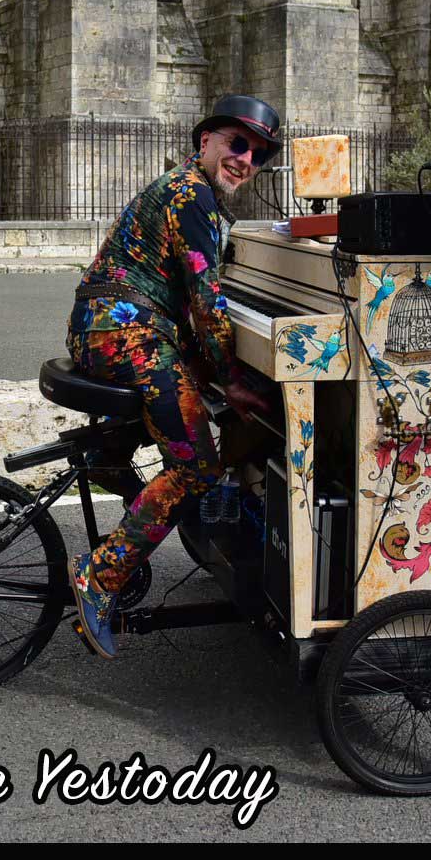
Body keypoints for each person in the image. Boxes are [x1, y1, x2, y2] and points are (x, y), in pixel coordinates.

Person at [66, 94, 281, 658]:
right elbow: (207, 305)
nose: (245, 159)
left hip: (110, 326)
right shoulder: (193, 196)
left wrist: (215, 366)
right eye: (238, 144)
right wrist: (231, 376)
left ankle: (110, 457)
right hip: (125, 333)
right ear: (205, 140)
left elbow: (192, 304)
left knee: (187, 411)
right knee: (196, 465)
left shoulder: (189, 192)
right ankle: (100, 577)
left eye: (257, 154)